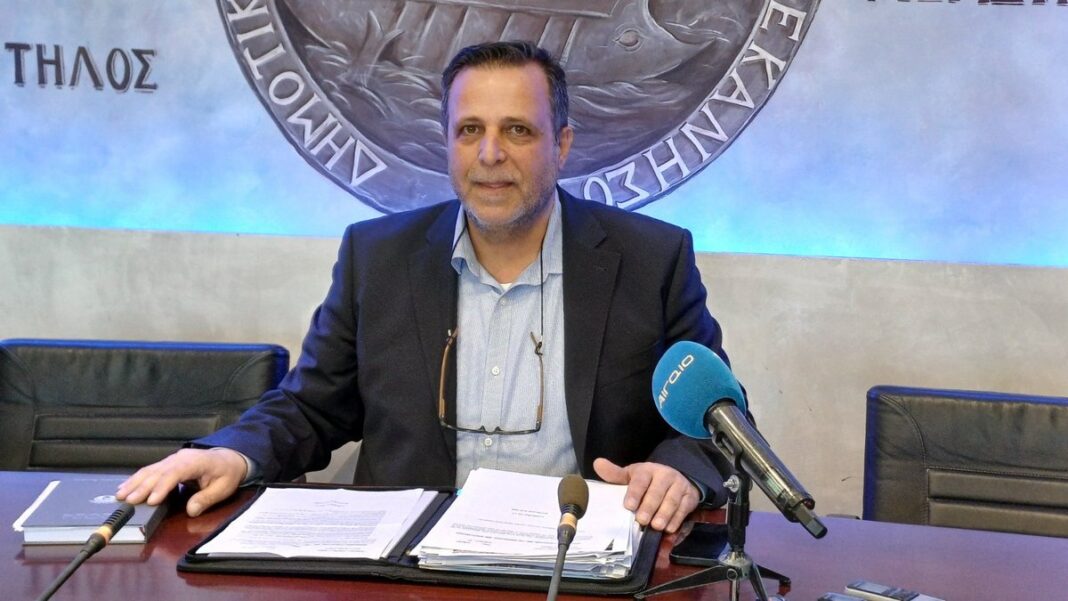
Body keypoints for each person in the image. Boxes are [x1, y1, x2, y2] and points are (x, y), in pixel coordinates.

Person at [118, 41, 736, 535]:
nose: (489, 154)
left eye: (517, 131)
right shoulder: (377, 256)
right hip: (408, 558)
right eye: (469, 130)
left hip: (576, 553)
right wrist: (233, 454)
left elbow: (717, 422)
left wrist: (677, 471)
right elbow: (311, 407)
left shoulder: (651, 260)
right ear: (447, 141)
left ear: (562, 145)